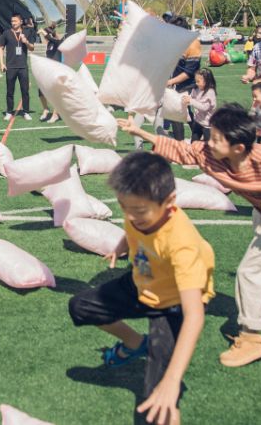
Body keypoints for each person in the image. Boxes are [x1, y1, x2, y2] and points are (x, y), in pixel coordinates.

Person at [118, 105, 261, 367]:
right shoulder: (209, 154)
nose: (209, 143)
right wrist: (138, 131)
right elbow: (181, 150)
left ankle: (252, 338)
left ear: (238, 147)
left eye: (216, 139)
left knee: (249, 273)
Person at [68, 152, 213, 423]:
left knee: (158, 402)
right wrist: (119, 247)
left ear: (169, 202)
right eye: (124, 208)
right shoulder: (136, 210)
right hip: (142, 282)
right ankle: (136, 344)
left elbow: (195, 315)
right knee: (80, 306)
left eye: (139, 212)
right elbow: (130, 228)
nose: (130, 217)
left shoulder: (182, 243)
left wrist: (171, 379)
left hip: (173, 306)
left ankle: (165, 385)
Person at [164, 17, 201, 140]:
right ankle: (180, 146)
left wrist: (170, 81)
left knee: (181, 113)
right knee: (178, 115)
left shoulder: (193, 44)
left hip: (191, 84)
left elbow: (189, 72)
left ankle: (196, 144)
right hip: (175, 84)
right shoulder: (173, 42)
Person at [0, 13, 33, 120]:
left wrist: (25, 41)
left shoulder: (27, 32)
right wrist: (1, 63)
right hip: (10, 66)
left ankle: (26, 112)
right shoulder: (6, 33)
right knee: (10, 91)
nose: (13, 23)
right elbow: (1, 48)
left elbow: (32, 48)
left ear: (21, 22)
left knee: (25, 90)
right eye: (12, 21)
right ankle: (9, 112)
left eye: (15, 21)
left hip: (23, 66)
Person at [38, 23, 62, 123]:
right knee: (41, 90)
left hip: (56, 71)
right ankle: (46, 109)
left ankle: (56, 114)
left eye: (47, 35)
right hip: (48, 70)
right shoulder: (50, 44)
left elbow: (53, 39)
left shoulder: (59, 42)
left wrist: (44, 32)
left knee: (55, 93)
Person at [185, 68, 216, 142]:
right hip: (198, 122)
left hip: (208, 125)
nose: (196, 83)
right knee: (194, 142)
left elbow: (204, 107)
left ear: (206, 81)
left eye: (198, 81)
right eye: (196, 81)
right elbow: (191, 97)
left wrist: (191, 101)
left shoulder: (210, 92)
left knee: (208, 146)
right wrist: (186, 99)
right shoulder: (196, 89)